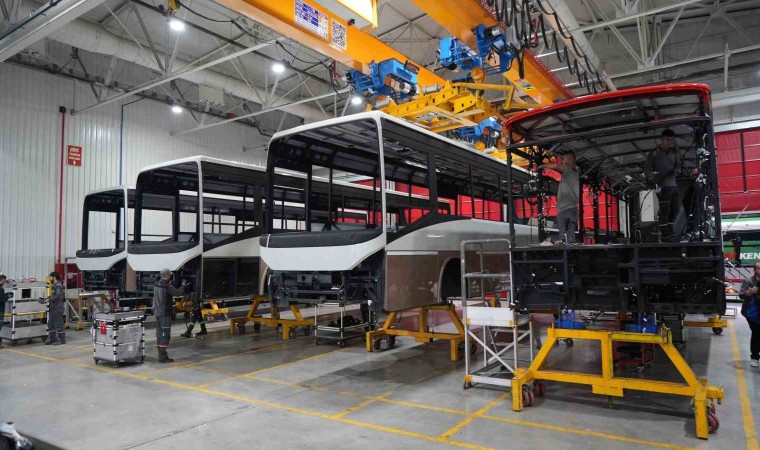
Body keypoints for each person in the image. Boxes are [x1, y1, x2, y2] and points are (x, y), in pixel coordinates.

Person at [645, 129, 681, 242]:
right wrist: (650, 179)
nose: (669, 142)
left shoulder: (674, 152)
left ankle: (670, 230)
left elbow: (678, 166)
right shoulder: (654, 153)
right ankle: (665, 233)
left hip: (673, 184)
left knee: (675, 209)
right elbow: (647, 169)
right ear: (661, 139)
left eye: (671, 140)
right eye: (667, 139)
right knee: (665, 209)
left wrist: (676, 171)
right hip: (662, 185)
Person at [543, 151, 580, 243]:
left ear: (570, 159)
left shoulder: (569, 169)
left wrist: (542, 166)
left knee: (564, 238)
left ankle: (566, 250)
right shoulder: (574, 172)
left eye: (563, 159)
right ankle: (570, 247)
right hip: (572, 209)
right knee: (570, 237)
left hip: (565, 209)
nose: (561, 161)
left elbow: (556, 166)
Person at [153, 269, 186, 363]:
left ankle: (161, 355)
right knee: (165, 334)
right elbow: (178, 293)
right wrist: (183, 285)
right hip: (165, 313)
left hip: (157, 312)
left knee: (159, 334)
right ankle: (162, 357)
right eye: (170, 275)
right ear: (168, 275)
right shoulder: (166, 286)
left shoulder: (156, 284)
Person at [739, 261, 760, 367]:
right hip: (752, 312)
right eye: (759, 268)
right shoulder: (748, 281)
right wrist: (750, 292)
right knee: (756, 333)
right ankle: (755, 357)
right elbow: (741, 295)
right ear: (755, 270)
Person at [45, 272, 66, 345]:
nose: (50, 279)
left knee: (59, 324)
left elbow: (58, 296)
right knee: (50, 324)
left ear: (54, 277)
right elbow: (54, 296)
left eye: (50, 277)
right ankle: (53, 339)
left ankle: (61, 340)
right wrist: (47, 299)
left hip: (58, 308)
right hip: (53, 307)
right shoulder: (54, 286)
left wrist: (49, 299)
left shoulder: (58, 286)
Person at [0, 275, 8, 349]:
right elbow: (2, 299)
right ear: (2, 280)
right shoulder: (1, 289)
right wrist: (8, 296)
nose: (5, 282)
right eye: (5, 280)